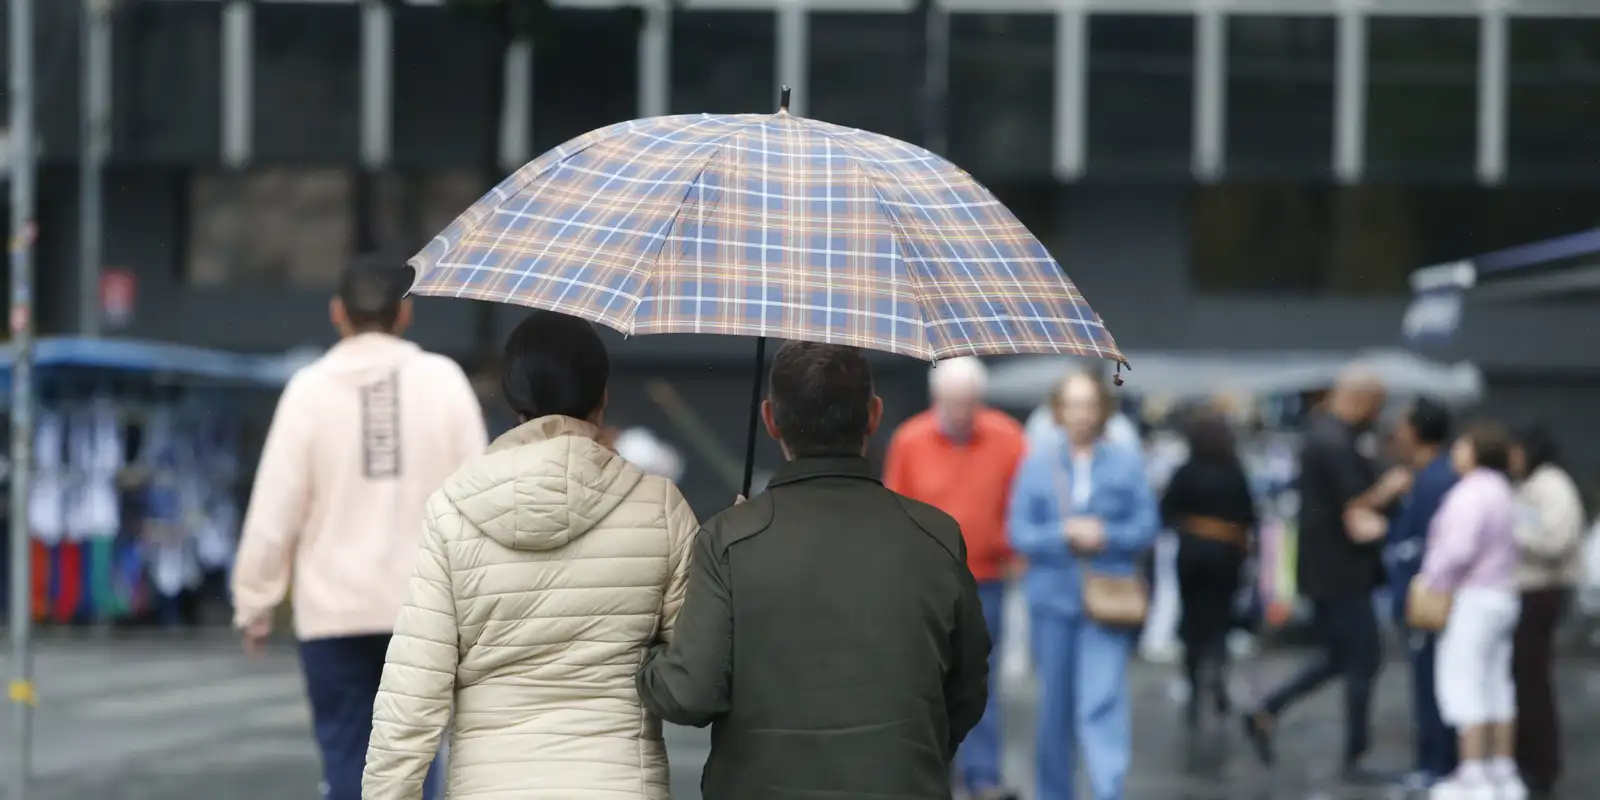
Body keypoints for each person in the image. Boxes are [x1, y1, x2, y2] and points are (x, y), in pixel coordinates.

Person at [361, 310, 699, 799]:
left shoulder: (453, 509)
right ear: (603, 395)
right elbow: (694, 674)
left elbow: (412, 696)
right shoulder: (660, 508)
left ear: (514, 397)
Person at [636, 341, 991, 800]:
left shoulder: (730, 540)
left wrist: (643, 660)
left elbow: (689, 694)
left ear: (769, 418)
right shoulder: (937, 535)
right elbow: (967, 690)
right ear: (875, 414)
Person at [230, 257, 486, 800]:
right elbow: (478, 499)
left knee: (348, 756)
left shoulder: (309, 390)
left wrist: (255, 600)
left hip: (333, 612)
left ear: (337, 313)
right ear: (406, 314)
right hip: (426, 609)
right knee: (417, 761)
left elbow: (276, 508)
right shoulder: (444, 383)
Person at [1242, 368, 1405, 781]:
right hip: (1340, 570)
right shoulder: (1333, 441)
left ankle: (1267, 711)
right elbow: (1356, 508)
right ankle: (1356, 754)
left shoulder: (1326, 434)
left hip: (1329, 568)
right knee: (1362, 657)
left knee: (1339, 656)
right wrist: (1391, 488)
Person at [1008, 370, 1159, 800]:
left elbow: (1147, 525)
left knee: (1102, 702)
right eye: (1072, 405)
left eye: (1088, 404)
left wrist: (1105, 534)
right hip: (1052, 604)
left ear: (1102, 410)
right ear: (1058, 411)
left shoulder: (1126, 463)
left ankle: (1107, 790)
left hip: (1108, 602)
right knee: (1053, 712)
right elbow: (1019, 532)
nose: (1080, 415)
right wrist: (1066, 533)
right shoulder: (1037, 465)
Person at [883, 356, 1027, 800]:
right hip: (927, 581)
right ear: (936, 399)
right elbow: (895, 508)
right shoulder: (910, 439)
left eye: (968, 402)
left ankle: (983, 777)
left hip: (987, 578)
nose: (960, 411)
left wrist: (1011, 545)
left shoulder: (1008, 438)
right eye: (952, 401)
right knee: (926, 679)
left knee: (980, 680)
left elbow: (1024, 502)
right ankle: (930, 773)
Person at [1419, 421, 1524, 799]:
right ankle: (1502, 771)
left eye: (1462, 446)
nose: (1455, 453)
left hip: (1474, 597)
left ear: (1477, 451)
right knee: (1497, 683)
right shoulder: (1503, 490)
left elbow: (1458, 549)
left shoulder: (1470, 493)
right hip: (1503, 595)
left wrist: (1433, 578)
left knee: (1465, 684)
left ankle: (1473, 774)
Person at [1383, 398, 1460, 791]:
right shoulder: (1427, 475)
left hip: (1425, 599)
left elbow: (1427, 543)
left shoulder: (1435, 479)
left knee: (1431, 683)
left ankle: (1436, 763)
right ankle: (1434, 761)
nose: (1395, 434)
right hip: (1420, 595)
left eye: (1401, 426)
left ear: (1415, 431)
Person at [1160, 412, 1256, 728]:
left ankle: (1193, 683)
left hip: (1191, 554)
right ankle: (1216, 681)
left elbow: (1166, 512)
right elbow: (1250, 515)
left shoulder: (1186, 471)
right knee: (1220, 622)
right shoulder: (1234, 471)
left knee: (1192, 620)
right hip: (1226, 556)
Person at [1508, 422, 1585, 796]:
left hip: (1541, 591)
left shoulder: (1552, 485)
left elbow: (1556, 539)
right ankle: (1530, 762)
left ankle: (1541, 767)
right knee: (1525, 680)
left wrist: (1509, 532)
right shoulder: (1530, 486)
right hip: (1529, 590)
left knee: (1533, 681)